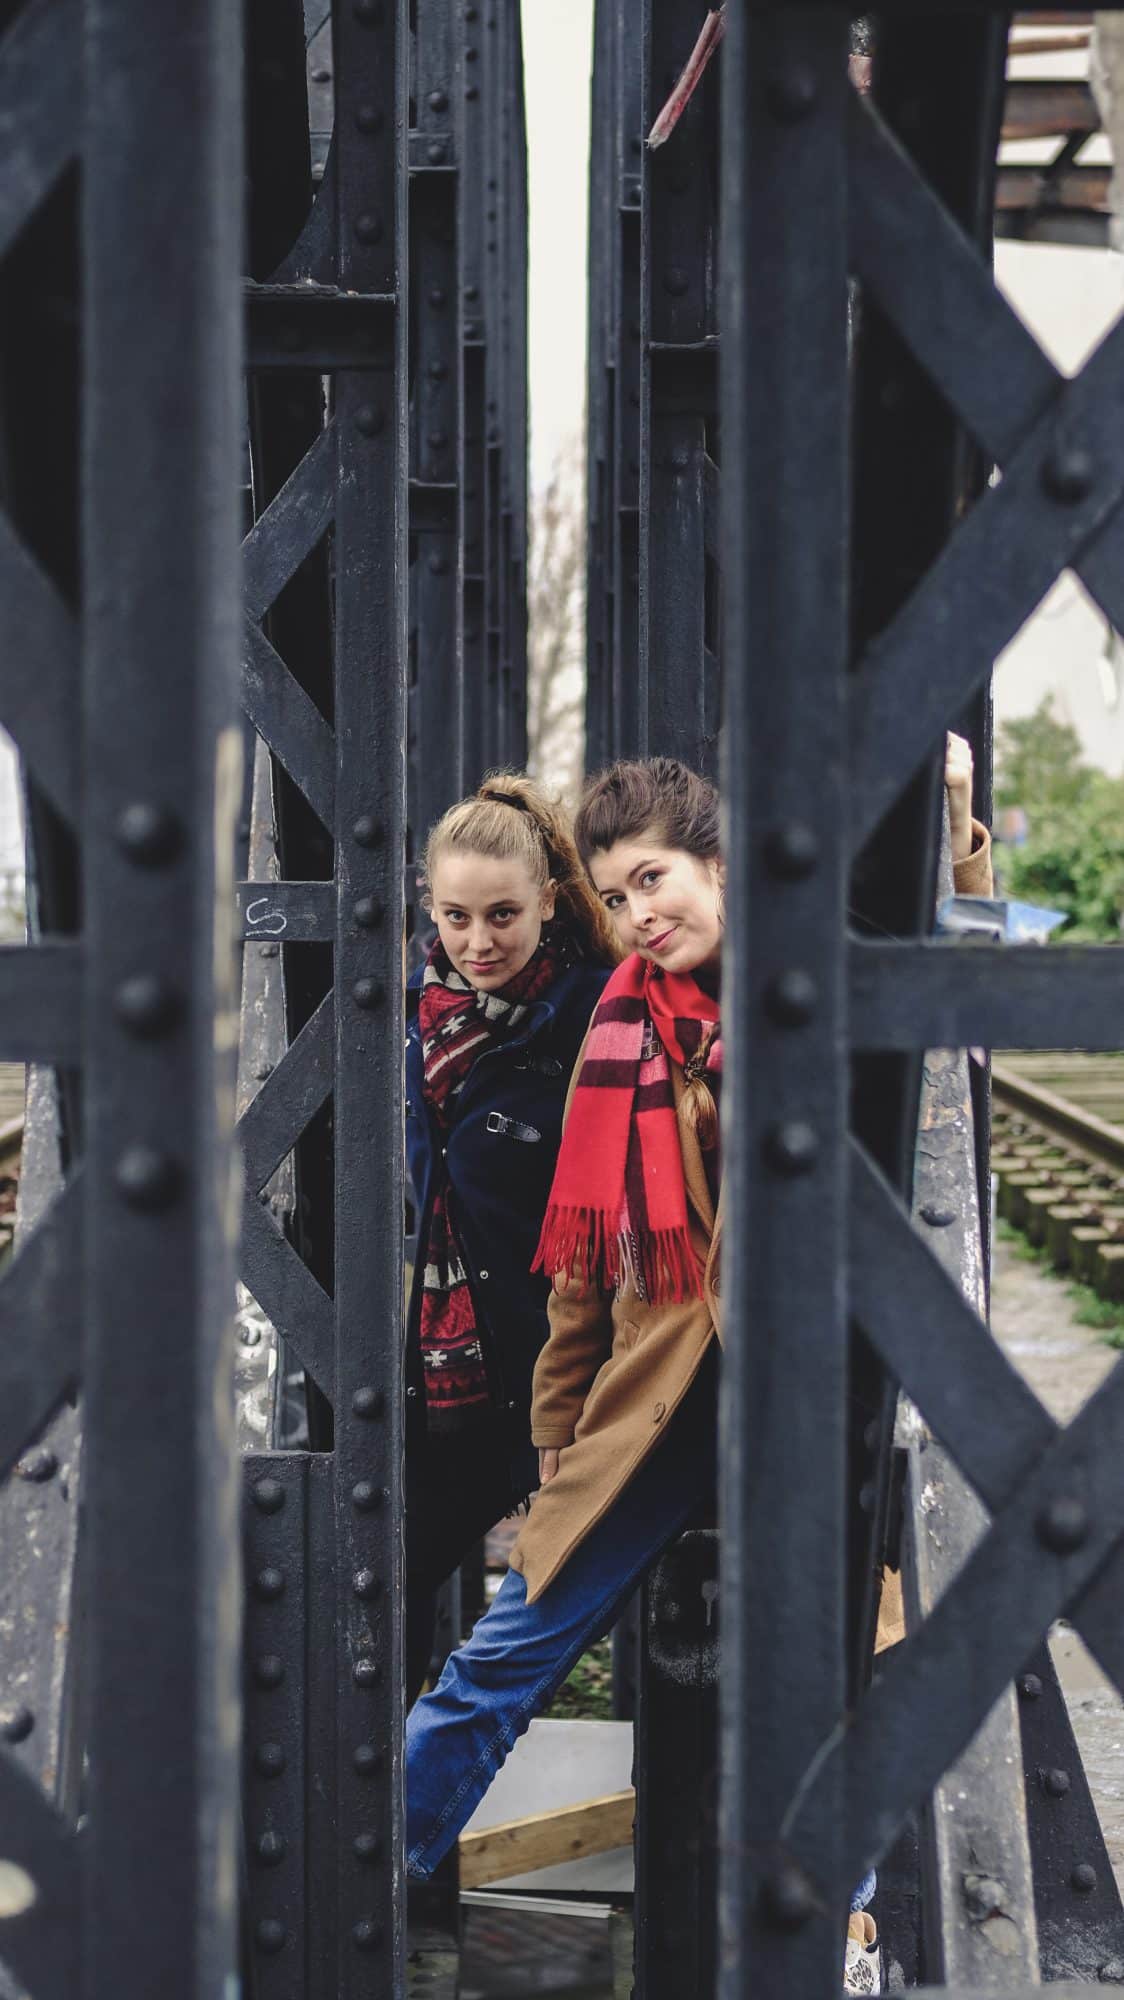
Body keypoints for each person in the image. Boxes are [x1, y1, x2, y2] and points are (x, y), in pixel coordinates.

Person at [405, 743, 992, 1907]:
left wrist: (958, 820)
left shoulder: (814, 981)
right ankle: (356, 1880)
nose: (635, 914)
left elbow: (954, 1000)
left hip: (816, 1396)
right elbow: (578, 1268)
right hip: (657, 1399)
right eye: (613, 895)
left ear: (719, 867)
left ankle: (843, 1930)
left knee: (838, 1682)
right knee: (496, 1663)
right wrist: (557, 1433)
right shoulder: (618, 1027)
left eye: (653, 881)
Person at [404, 774, 620, 1700]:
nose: (477, 942)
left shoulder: (599, 1015)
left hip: (571, 1382)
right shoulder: (404, 1020)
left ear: (546, 901)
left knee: (557, 1626)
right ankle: (376, 1821)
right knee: (370, 1588)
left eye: (502, 915)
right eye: (455, 916)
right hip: (447, 1378)